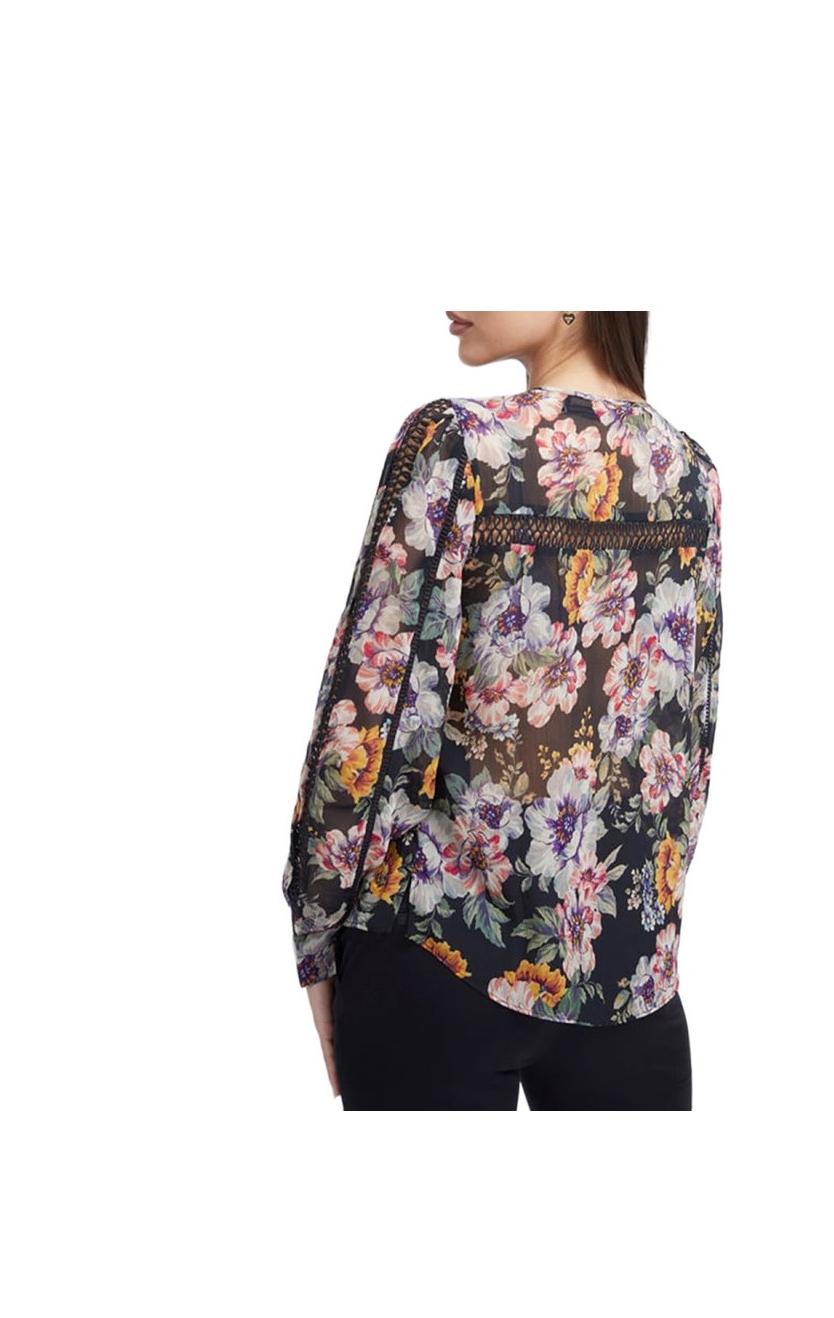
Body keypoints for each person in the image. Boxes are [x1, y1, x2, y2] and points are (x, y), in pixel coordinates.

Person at [281, 311, 723, 1109]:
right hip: (630, 973)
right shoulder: (692, 471)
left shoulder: (460, 443)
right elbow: (693, 728)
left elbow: (372, 706)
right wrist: (649, 928)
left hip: (434, 953)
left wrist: (317, 933)